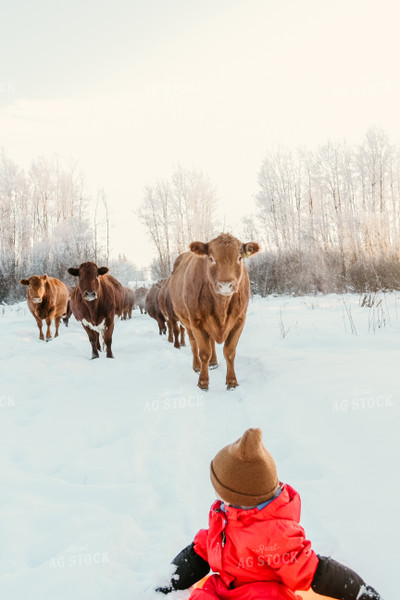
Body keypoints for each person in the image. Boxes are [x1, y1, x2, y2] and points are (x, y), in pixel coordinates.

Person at [156, 428, 382, 599]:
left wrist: (362, 593)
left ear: (237, 496)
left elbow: (311, 570)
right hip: (224, 588)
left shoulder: (275, 535)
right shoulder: (225, 516)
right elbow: (203, 550)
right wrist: (169, 582)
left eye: (220, 492)